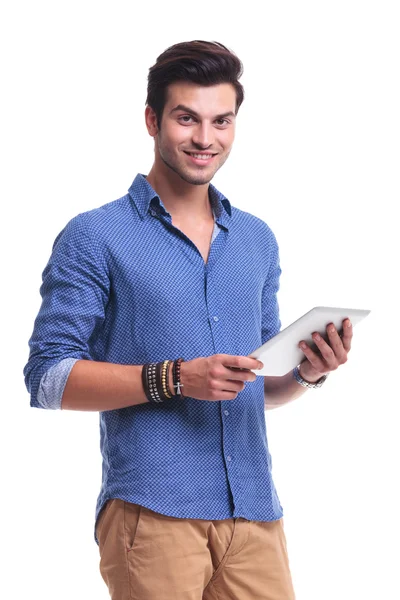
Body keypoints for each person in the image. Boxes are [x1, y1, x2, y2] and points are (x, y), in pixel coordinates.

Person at [23, 40, 353, 600]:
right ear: (152, 120)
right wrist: (174, 377)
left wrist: (307, 372)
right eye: (187, 118)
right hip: (154, 517)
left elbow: (257, 385)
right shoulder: (95, 236)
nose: (206, 139)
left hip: (254, 516)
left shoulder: (256, 238)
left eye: (221, 121)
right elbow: (48, 380)